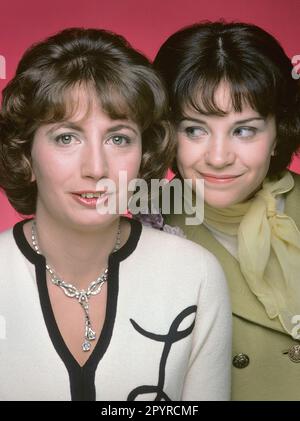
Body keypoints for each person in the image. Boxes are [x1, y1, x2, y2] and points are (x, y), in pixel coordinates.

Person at [0, 28, 231, 401]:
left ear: (145, 153)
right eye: (66, 137)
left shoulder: (195, 275)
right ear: (26, 155)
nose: (96, 167)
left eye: (118, 138)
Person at [153, 21, 300, 401]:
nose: (218, 158)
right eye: (195, 130)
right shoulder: (143, 228)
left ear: (278, 133)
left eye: (244, 130)